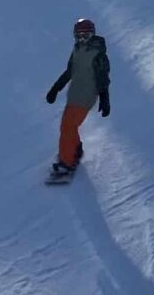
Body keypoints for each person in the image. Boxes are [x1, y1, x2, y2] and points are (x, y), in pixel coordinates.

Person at [46, 17, 111, 180]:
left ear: (93, 35)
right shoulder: (77, 49)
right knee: (68, 126)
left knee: (67, 126)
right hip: (75, 93)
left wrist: (105, 98)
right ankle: (75, 149)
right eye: (79, 36)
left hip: (87, 95)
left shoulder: (98, 54)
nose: (82, 39)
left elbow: (103, 77)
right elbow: (69, 71)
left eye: (86, 36)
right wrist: (56, 88)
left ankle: (66, 163)